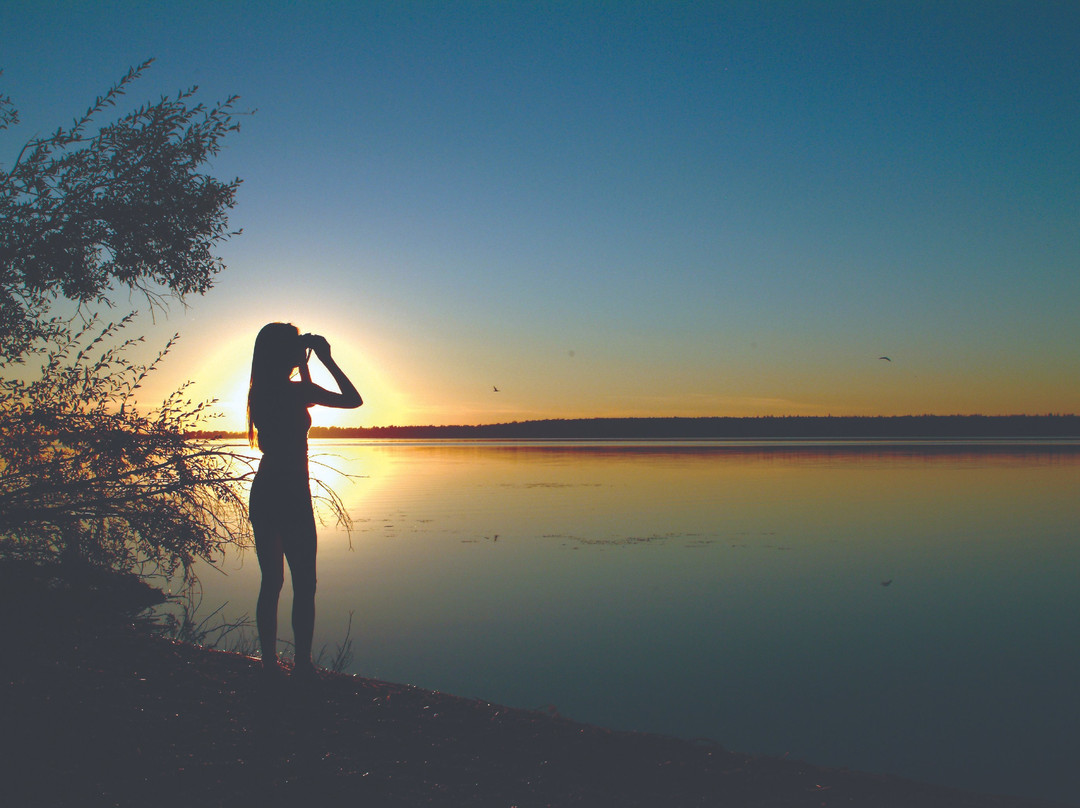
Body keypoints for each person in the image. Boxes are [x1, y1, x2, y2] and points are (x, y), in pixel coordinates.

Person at [246, 323, 363, 680]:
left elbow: (306, 397)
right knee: (304, 584)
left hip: (266, 487)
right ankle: (302, 665)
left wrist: (303, 362)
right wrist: (325, 357)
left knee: (272, 582)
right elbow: (352, 399)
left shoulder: (261, 391)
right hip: (292, 492)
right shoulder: (293, 391)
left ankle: (269, 664)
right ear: (283, 353)